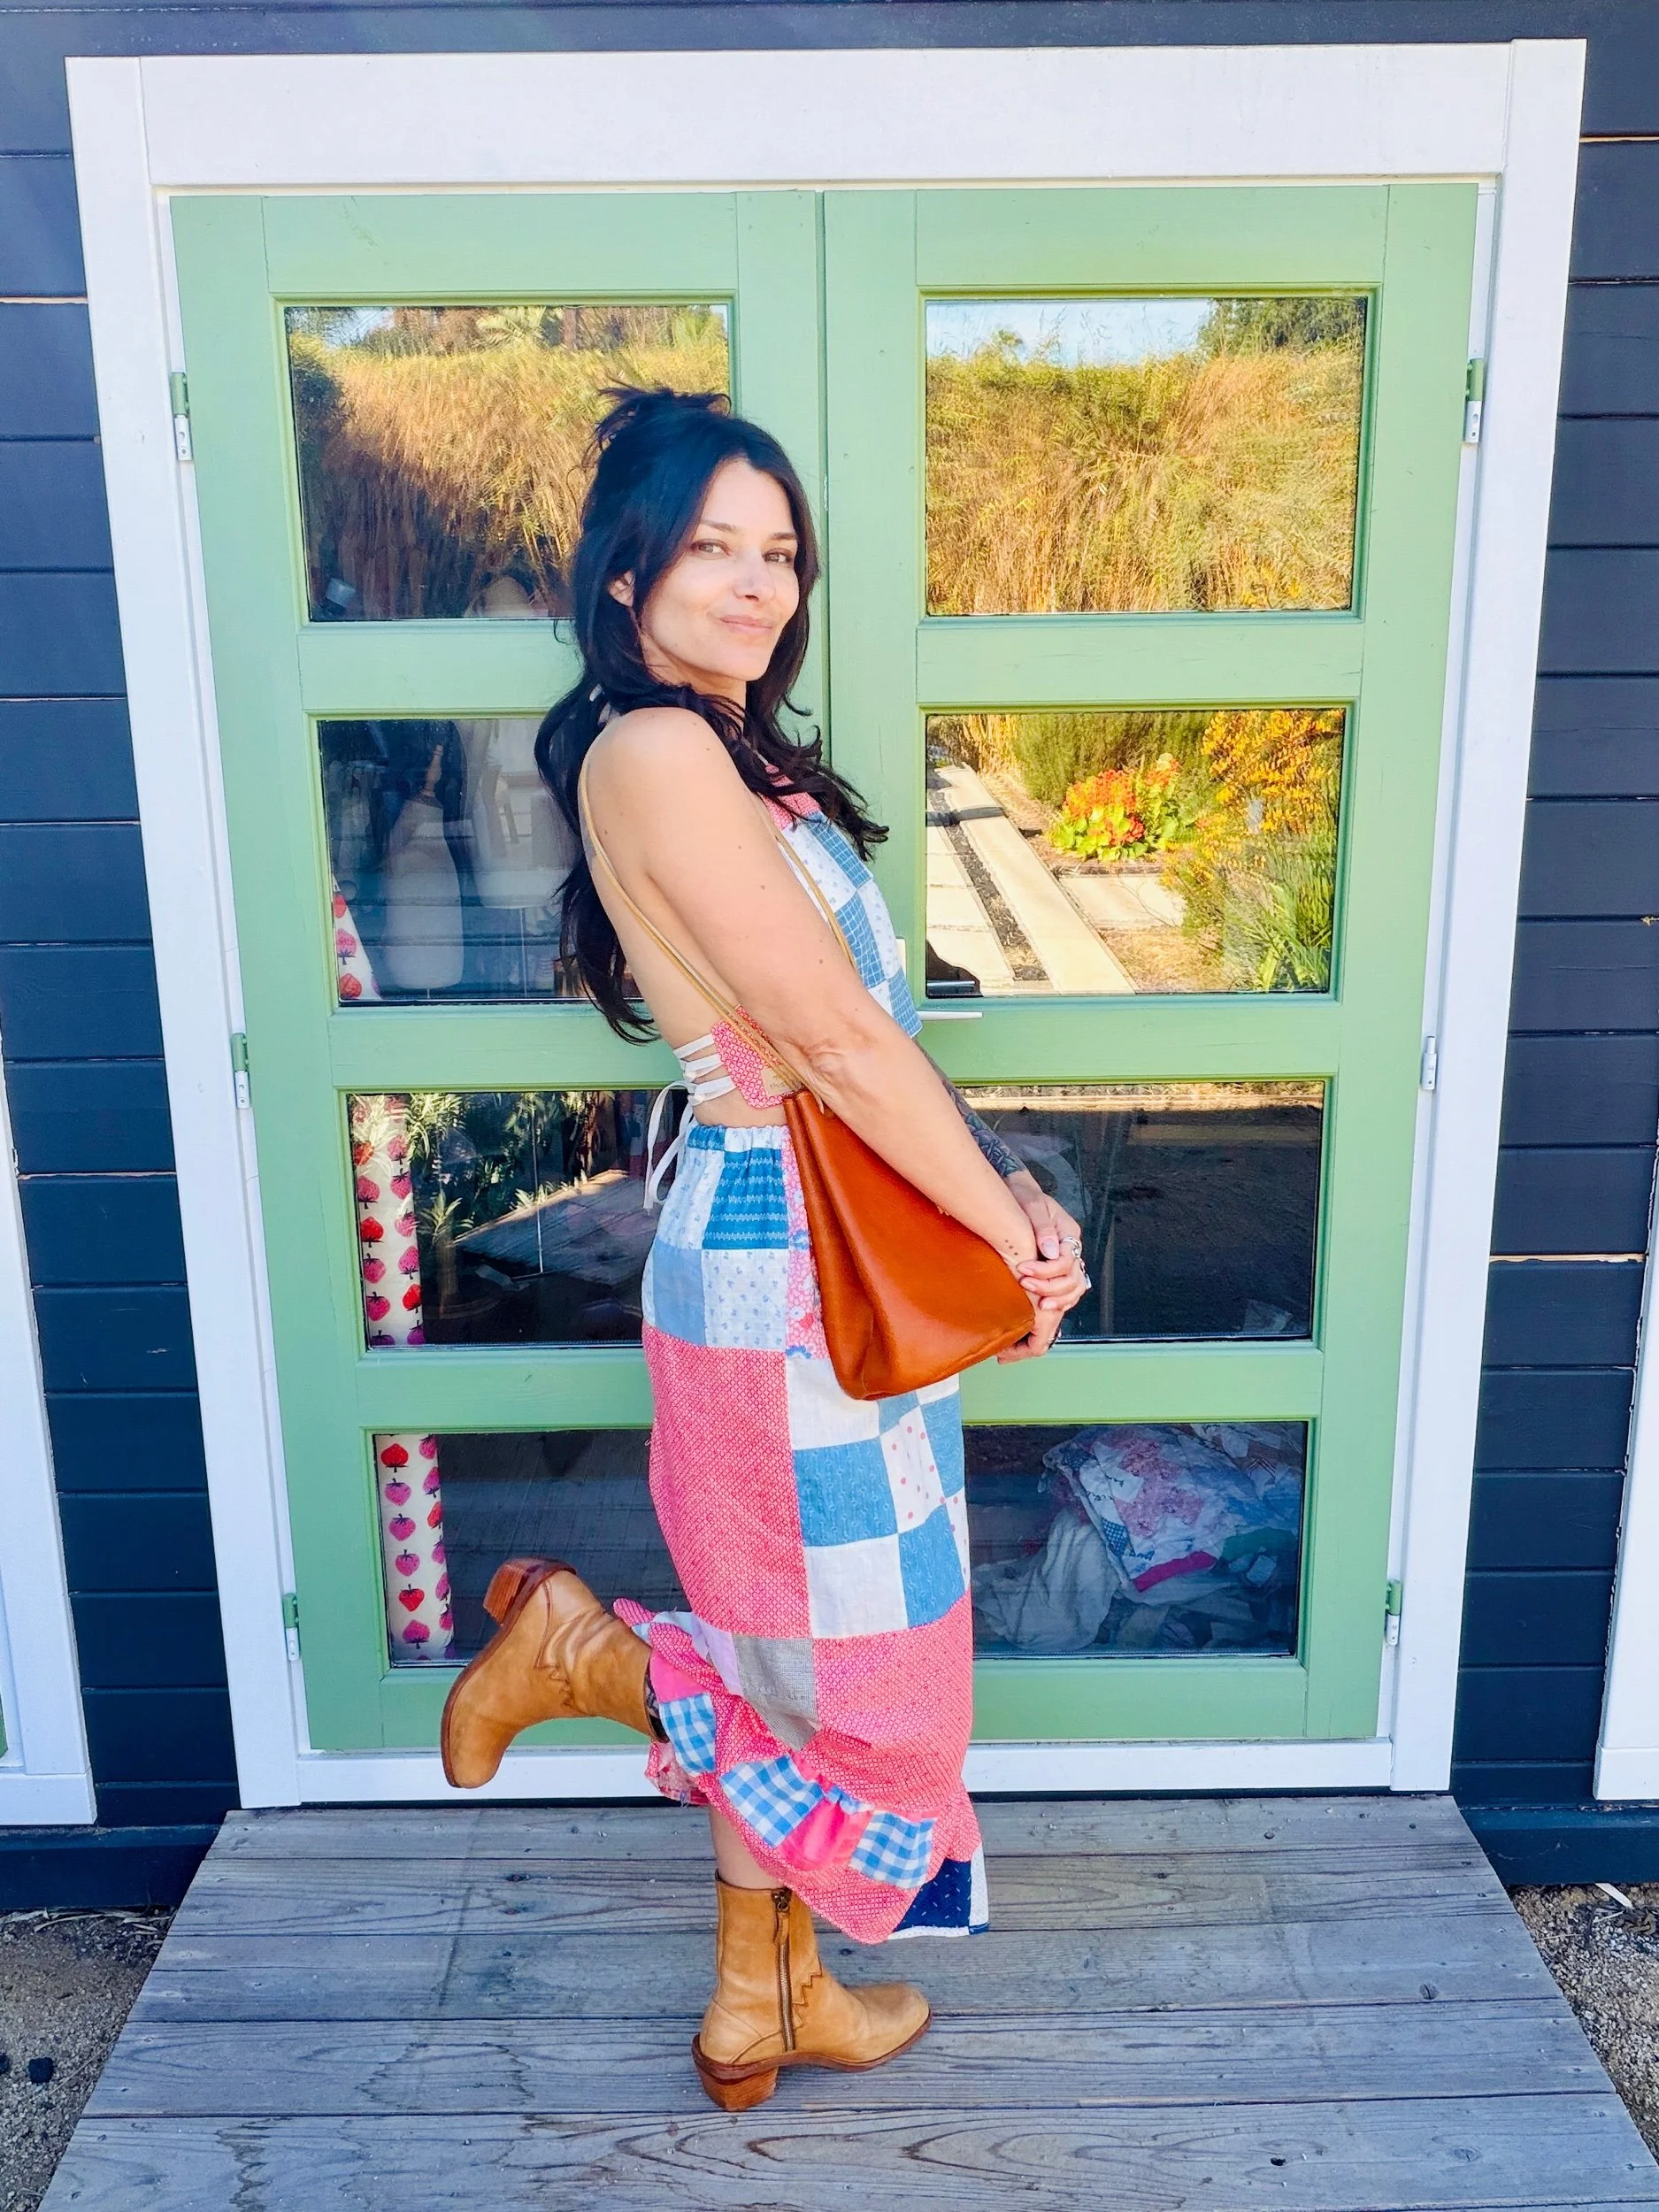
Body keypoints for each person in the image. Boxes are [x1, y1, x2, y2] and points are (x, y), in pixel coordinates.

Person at [439, 388, 1089, 2109]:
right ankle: (586, 1656)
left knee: (792, 1652)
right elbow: (833, 1043)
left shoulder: (730, 754)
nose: (754, 582)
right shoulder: (654, 752)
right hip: (784, 1252)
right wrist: (1010, 1236)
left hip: (818, 1236)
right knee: (854, 1673)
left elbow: (875, 1038)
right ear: (626, 573)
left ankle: (764, 1996)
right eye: (711, 547)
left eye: (779, 550)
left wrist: (1003, 1190)